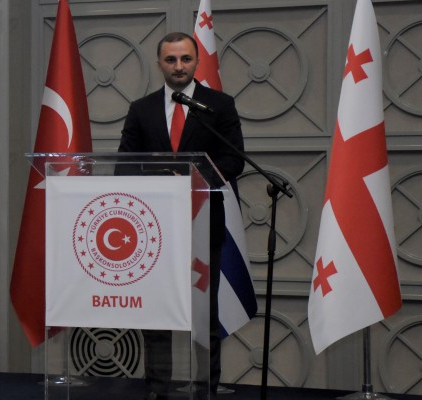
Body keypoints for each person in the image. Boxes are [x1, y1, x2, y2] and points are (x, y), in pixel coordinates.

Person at [118, 32, 245, 400]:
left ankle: (206, 388)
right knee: (157, 313)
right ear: (159, 63)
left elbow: (233, 159)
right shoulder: (141, 109)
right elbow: (124, 165)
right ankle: (157, 390)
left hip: (203, 223)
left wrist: (192, 177)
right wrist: (160, 176)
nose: (178, 67)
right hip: (153, 228)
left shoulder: (218, 105)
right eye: (171, 60)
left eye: (185, 59)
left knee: (205, 314)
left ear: (196, 62)